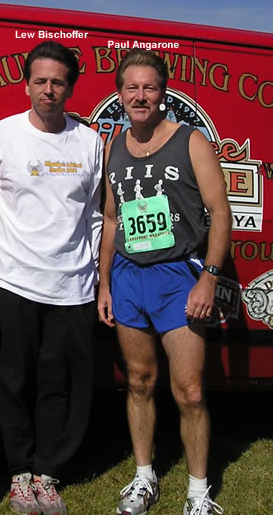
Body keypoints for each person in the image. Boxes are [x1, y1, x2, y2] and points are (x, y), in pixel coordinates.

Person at [97, 49, 231, 515]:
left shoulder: (190, 141)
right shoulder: (113, 146)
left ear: (163, 92)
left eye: (149, 87)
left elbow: (220, 213)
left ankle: (198, 493)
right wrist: (105, 284)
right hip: (129, 277)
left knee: (190, 390)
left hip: (180, 277)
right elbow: (111, 220)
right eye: (131, 87)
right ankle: (143, 478)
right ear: (119, 95)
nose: (140, 96)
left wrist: (209, 278)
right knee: (138, 381)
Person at [0, 41, 104, 515]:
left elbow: (94, 215)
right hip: (12, 280)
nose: (48, 90)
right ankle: (19, 473)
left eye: (58, 82)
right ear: (26, 84)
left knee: (59, 383)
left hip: (72, 285)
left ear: (70, 87)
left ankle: (48, 473)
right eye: (40, 80)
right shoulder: (0, 137)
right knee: (10, 379)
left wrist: (95, 274)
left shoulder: (89, 141)